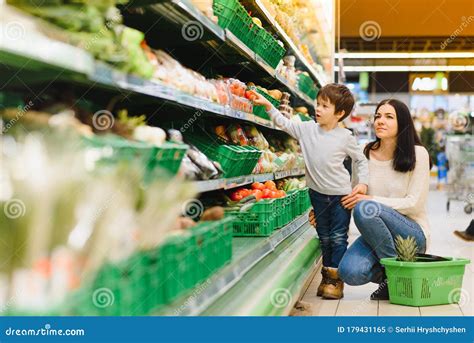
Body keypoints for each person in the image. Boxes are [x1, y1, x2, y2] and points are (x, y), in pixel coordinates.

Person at [251, 84, 369, 299]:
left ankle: (336, 281)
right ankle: (327, 276)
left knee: (338, 237)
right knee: (324, 237)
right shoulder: (306, 129)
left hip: (340, 196)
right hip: (316, 194)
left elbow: (361, 160)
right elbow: (284, 123)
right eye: (318, 104)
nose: (318, 109)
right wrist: (268, 105)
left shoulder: (345, 137)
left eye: (325, 106)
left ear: (340, 113)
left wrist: (362, 184)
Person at [309, 98, 431, 300]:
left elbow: (414, 203)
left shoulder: (418, 153)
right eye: (377, 116)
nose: (380, 121)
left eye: (389, 117)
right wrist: (323, 213)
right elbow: (351, 194)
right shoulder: (365, 152)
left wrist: (371, 199)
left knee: (365, 208)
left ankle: (395, 277)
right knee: (349, 272)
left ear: (403, 123)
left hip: (411, 233)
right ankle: (396, 276)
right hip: (376, 234)